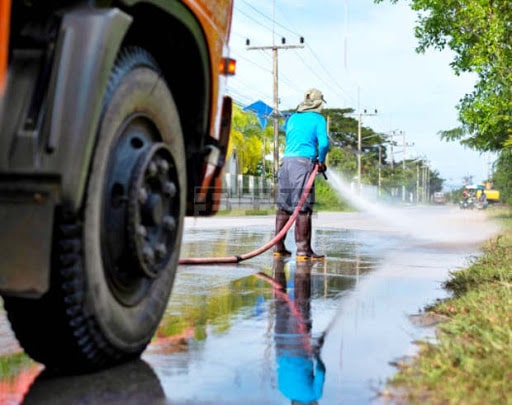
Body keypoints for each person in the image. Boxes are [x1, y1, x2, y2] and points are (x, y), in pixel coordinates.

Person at [274, 88, 330, 260]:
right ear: (318, 103)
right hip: (303, 164)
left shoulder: (292, 118)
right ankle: (303, 251)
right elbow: (324, 144)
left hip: (286, 164)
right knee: (303, 208)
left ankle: (278, 247)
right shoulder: (318, 119)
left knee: (284, 207)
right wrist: (321, 160)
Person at [272, 258, 326, 404]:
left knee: (301, 309)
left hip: (301, 350)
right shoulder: (283, 390)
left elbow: (321, 371)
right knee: (281, 307)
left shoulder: (314, 396)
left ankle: (302, 270)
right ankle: (278, 273)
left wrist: (317, 354)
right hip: (281, 348)